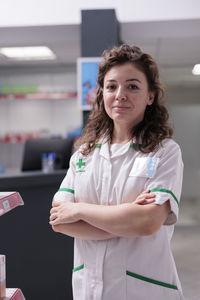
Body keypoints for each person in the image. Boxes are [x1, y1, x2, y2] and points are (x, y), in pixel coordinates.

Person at [49, 44, 184, 300]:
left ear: (150, 96)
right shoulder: (83, 156)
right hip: (89, 288)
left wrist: (79, 210)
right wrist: (127, 218)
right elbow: (59, 220)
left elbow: (147, 222)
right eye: (111, 86)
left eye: (132, 86)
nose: (120, 94)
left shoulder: (164, 152)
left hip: (144, 289)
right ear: (102, 93)